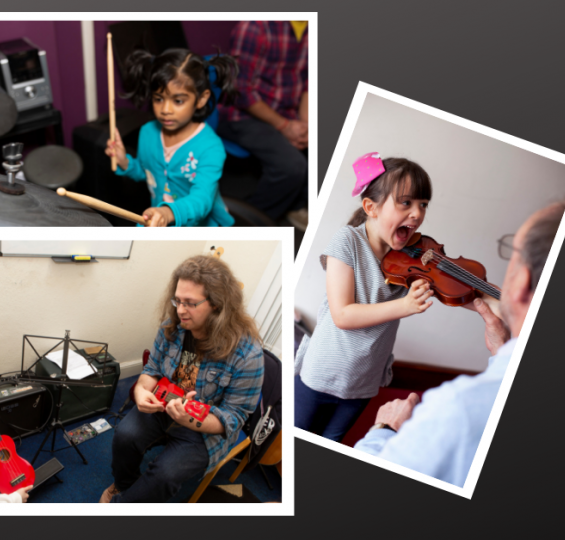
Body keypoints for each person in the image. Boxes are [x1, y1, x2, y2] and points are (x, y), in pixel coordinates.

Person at [354, 201, 565, 486]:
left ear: (522, 283)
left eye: (513, 251)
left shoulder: (458, 408)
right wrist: (502, 349)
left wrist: (384, 428)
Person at [295, 154, 435, 442]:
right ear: (371, 207)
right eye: (406, 202)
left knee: (333, 440)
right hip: (322, 373)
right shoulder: (347, 241)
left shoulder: (412, 254)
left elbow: (452, 285)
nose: (418, 214)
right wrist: (405, 305)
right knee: (297, 436)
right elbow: (343, 315)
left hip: (364, 380)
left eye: (423, 205)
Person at [100, 255, 263, 503]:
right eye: (177, 300)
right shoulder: (172, 327)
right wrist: (142, 391)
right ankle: (123, 486)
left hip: (204, 425)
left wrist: (192, 419)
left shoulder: (248, 354)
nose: (180, 310)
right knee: (124, 436)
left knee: (164, 475)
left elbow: (234, 416)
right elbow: (153, 368)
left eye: (190, 303)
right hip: (166, 403)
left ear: (217, 305)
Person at [105, 49, 238, 227]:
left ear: (201, 99)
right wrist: (125, 163)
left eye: (178, 101)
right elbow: (148, 174)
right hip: (160, 222)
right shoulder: (148, 133)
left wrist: (168, 213)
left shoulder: (211, 147)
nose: (166, 109)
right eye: (159, 99)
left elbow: (202, 200)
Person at [215, 20, 309, 227]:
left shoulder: (311, 27)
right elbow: (240, 91)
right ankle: (244, 219)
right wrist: (285, 126)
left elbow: (308, 83)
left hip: (288, 110)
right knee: (291, 166)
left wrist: (304, 126)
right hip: (243, 114)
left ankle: (295, 206)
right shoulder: (255, 27)